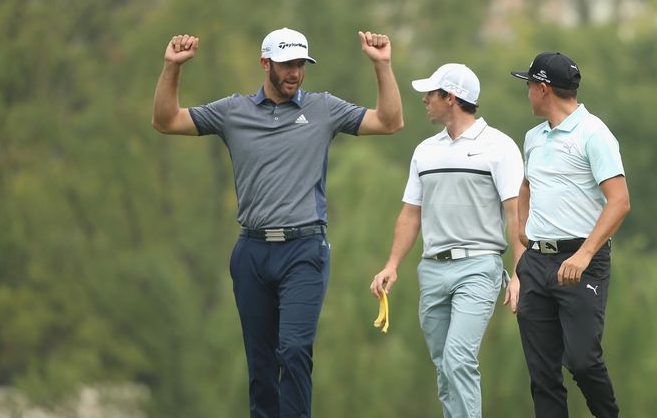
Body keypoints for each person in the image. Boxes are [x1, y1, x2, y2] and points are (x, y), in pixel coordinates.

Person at [151, 27, 403, 418]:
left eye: (301, 64)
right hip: (251, 251)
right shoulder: (233, 111)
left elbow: (389, 122)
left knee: (295, 349)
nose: (296, 73)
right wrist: (172, 68)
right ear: (265, 63)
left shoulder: (323, 108)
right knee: (261, 364)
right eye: (287, 64)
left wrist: (382, 67)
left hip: (304, 249)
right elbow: (166, 120)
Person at [370, 63, 524, 418]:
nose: (424, 100)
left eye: (431, 94)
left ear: (451, 98)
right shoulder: (425, 151)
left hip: (479, 266)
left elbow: (516, 214)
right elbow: (411, 213)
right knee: (443, 365)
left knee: (458, 356)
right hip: (433, 269)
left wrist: (519, 273)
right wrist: (392, 264)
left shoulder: (500, 147)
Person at [509, 52, 631, 418]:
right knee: (542, 373)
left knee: (581, 361)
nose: (527, 92)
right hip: (536, 265)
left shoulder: (594, 134)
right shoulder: (533, 137)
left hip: (580, 264)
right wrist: (522, 230)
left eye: (529, 85)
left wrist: (584, 255)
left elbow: (620, 202)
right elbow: (527, 186)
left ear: (543, 89)